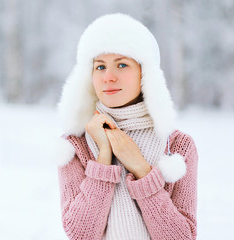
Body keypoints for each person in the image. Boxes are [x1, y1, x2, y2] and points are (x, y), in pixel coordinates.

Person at [56, 13, 198, 240]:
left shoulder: (177, 147)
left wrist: (141, 169)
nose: (108, 77)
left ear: (145, 72)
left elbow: (182, 237)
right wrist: (103, 158)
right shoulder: (75, 145)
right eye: (100, 67)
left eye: (122, 64)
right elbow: (80, 233)